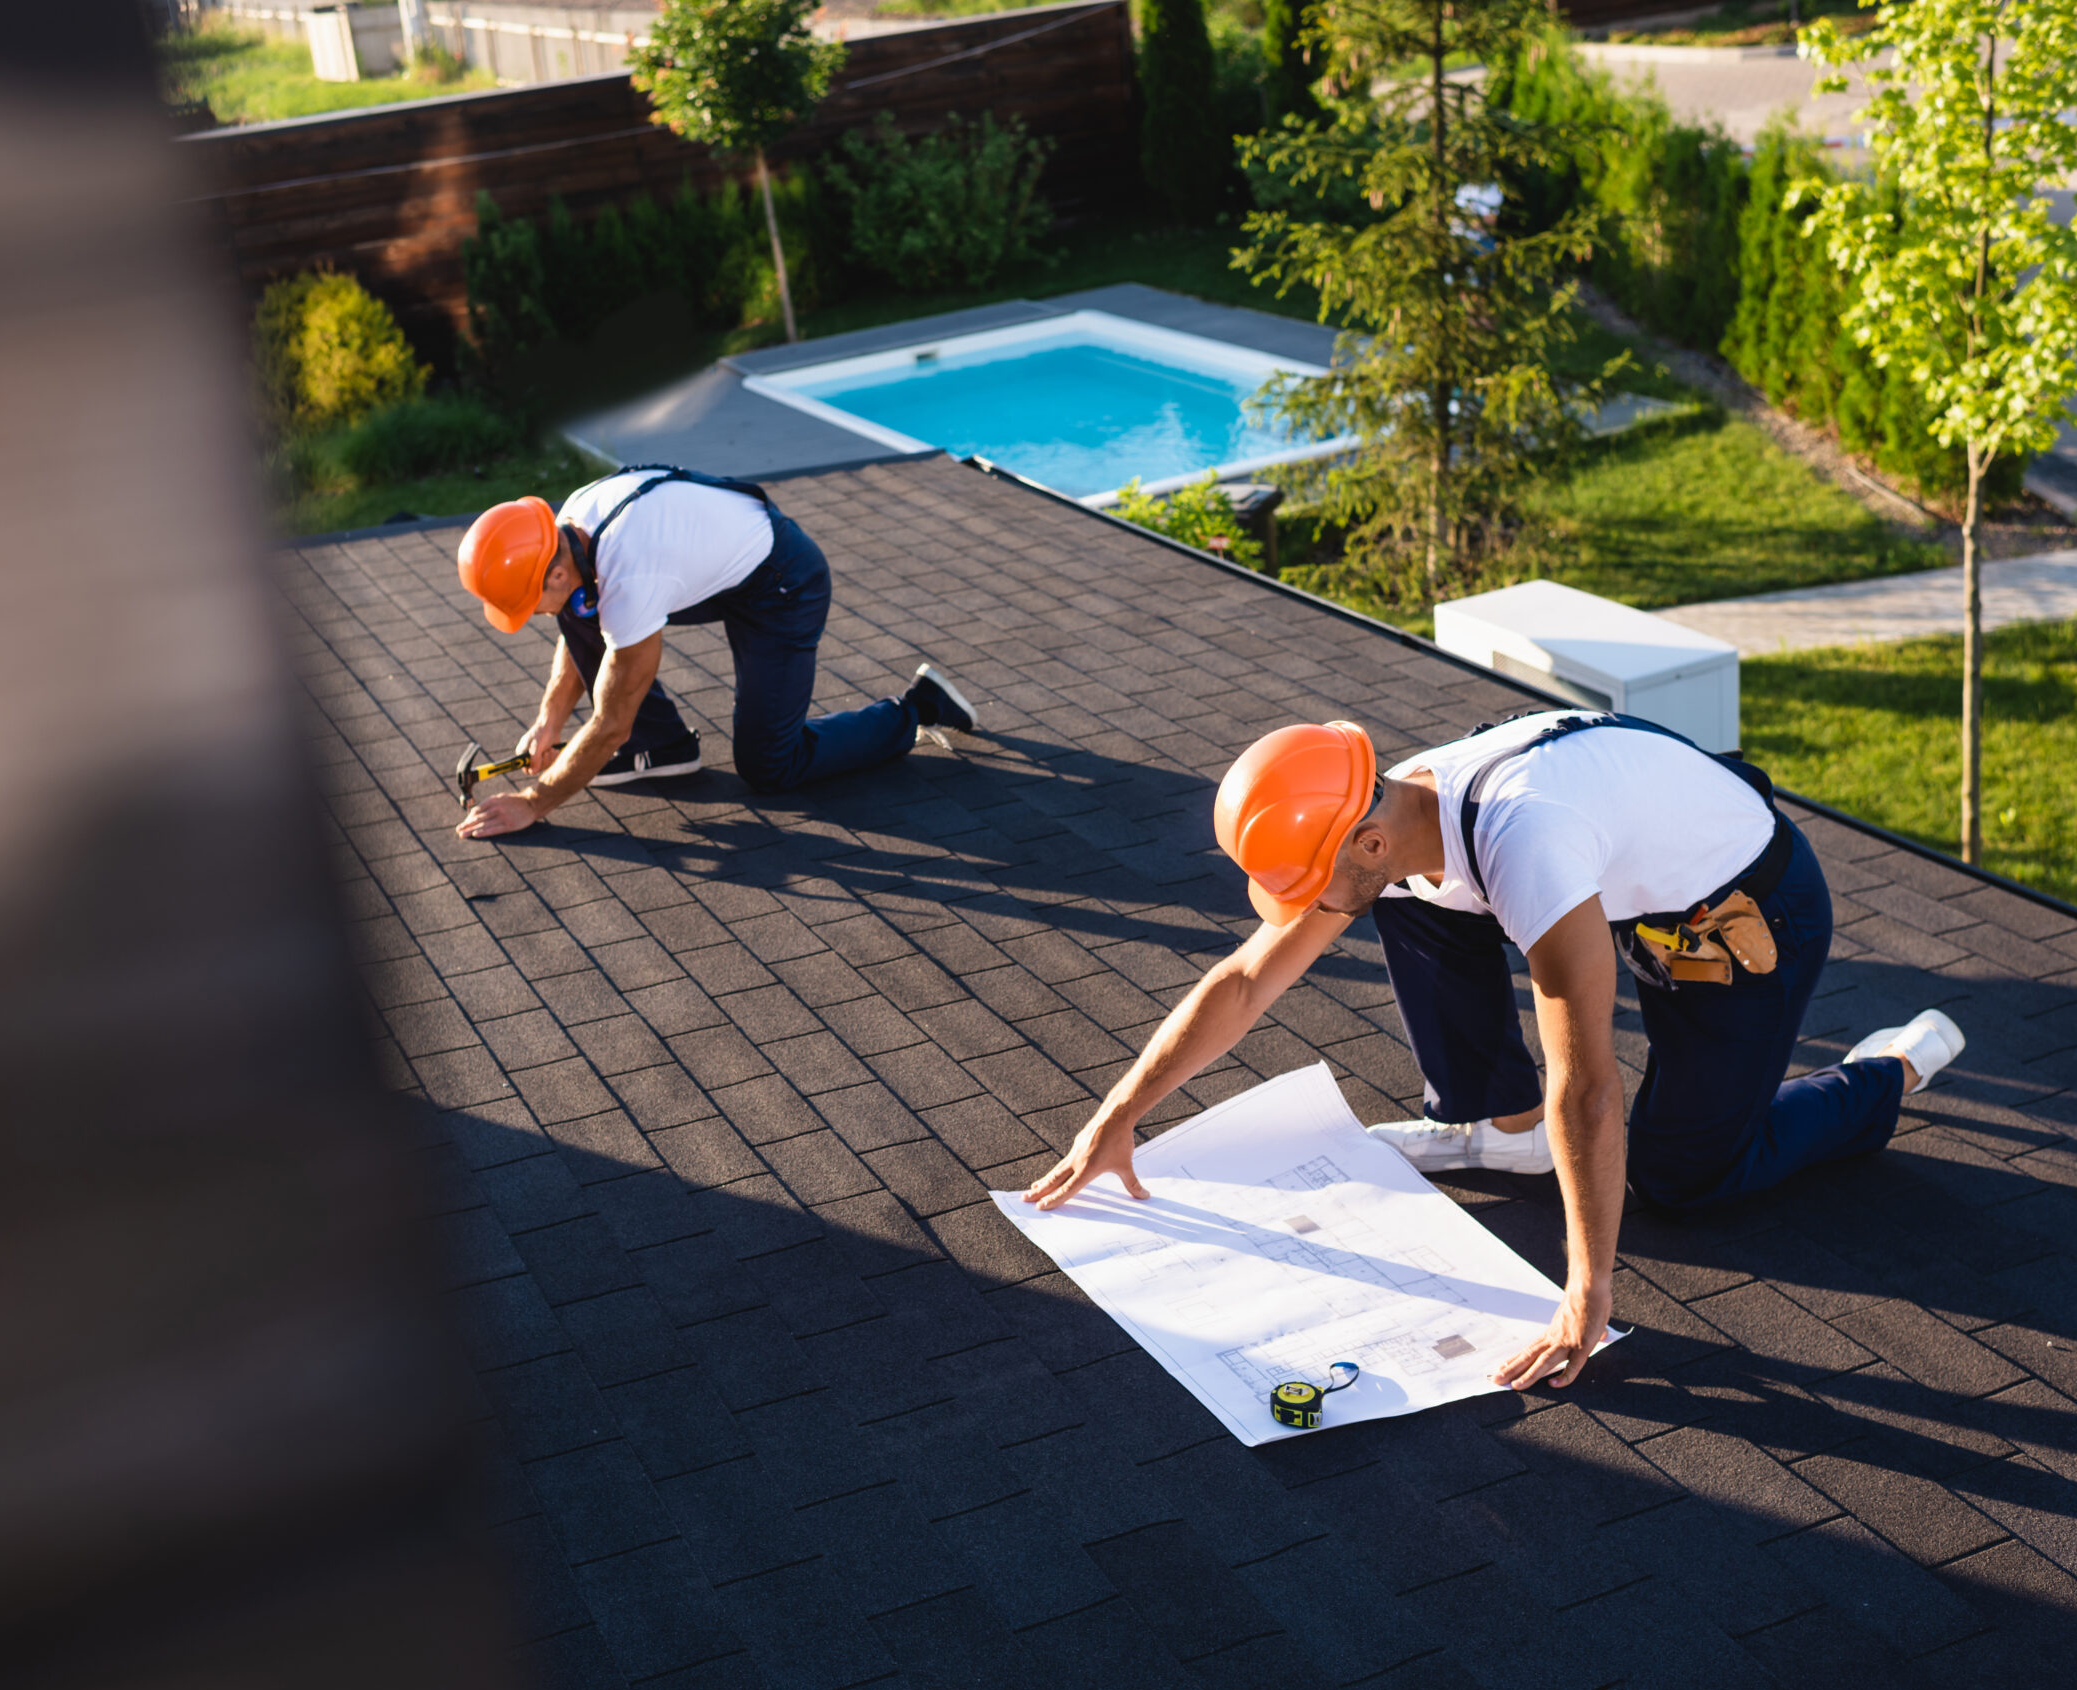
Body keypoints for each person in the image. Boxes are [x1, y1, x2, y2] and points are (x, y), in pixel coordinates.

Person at [1023, 711, 1966, 1393]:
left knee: (1685, 1178)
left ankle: (1881, 1076)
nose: (1314, 906)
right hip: (1628, 882)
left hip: (1741, 917)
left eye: (1317, 882)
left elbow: (1588, 1085)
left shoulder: (1525, 842)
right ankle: (1497, 1124)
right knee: (1401, 896)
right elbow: (1244, 981)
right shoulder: (1396, 812)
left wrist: (1585, 1291)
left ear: (1367, 829)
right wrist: (1121, 1115)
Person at [452, 465, 979, 837]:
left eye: (529, 603)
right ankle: (662, 749)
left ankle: (918, 707)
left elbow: (612, 721)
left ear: (557, 569)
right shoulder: (568, 530)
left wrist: (534, 801)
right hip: (718, 567)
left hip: (783, 584)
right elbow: (577, 614)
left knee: (771, 765)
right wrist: (549, 721)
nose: (534, 615)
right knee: (580, 607)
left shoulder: (632, 574)